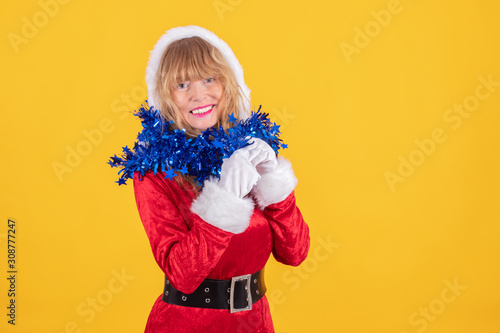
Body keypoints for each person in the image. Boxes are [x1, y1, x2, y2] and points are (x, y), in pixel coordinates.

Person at [132, 25, 310, 333]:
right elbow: (183, 275)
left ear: (227, 82)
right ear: (165, 95)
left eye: (209, 78)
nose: (199, 94)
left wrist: (274, 184)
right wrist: (225, 198)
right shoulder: (155, 171)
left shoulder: (247, 152)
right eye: (182, 84)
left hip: (254, 323)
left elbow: (295, 253)